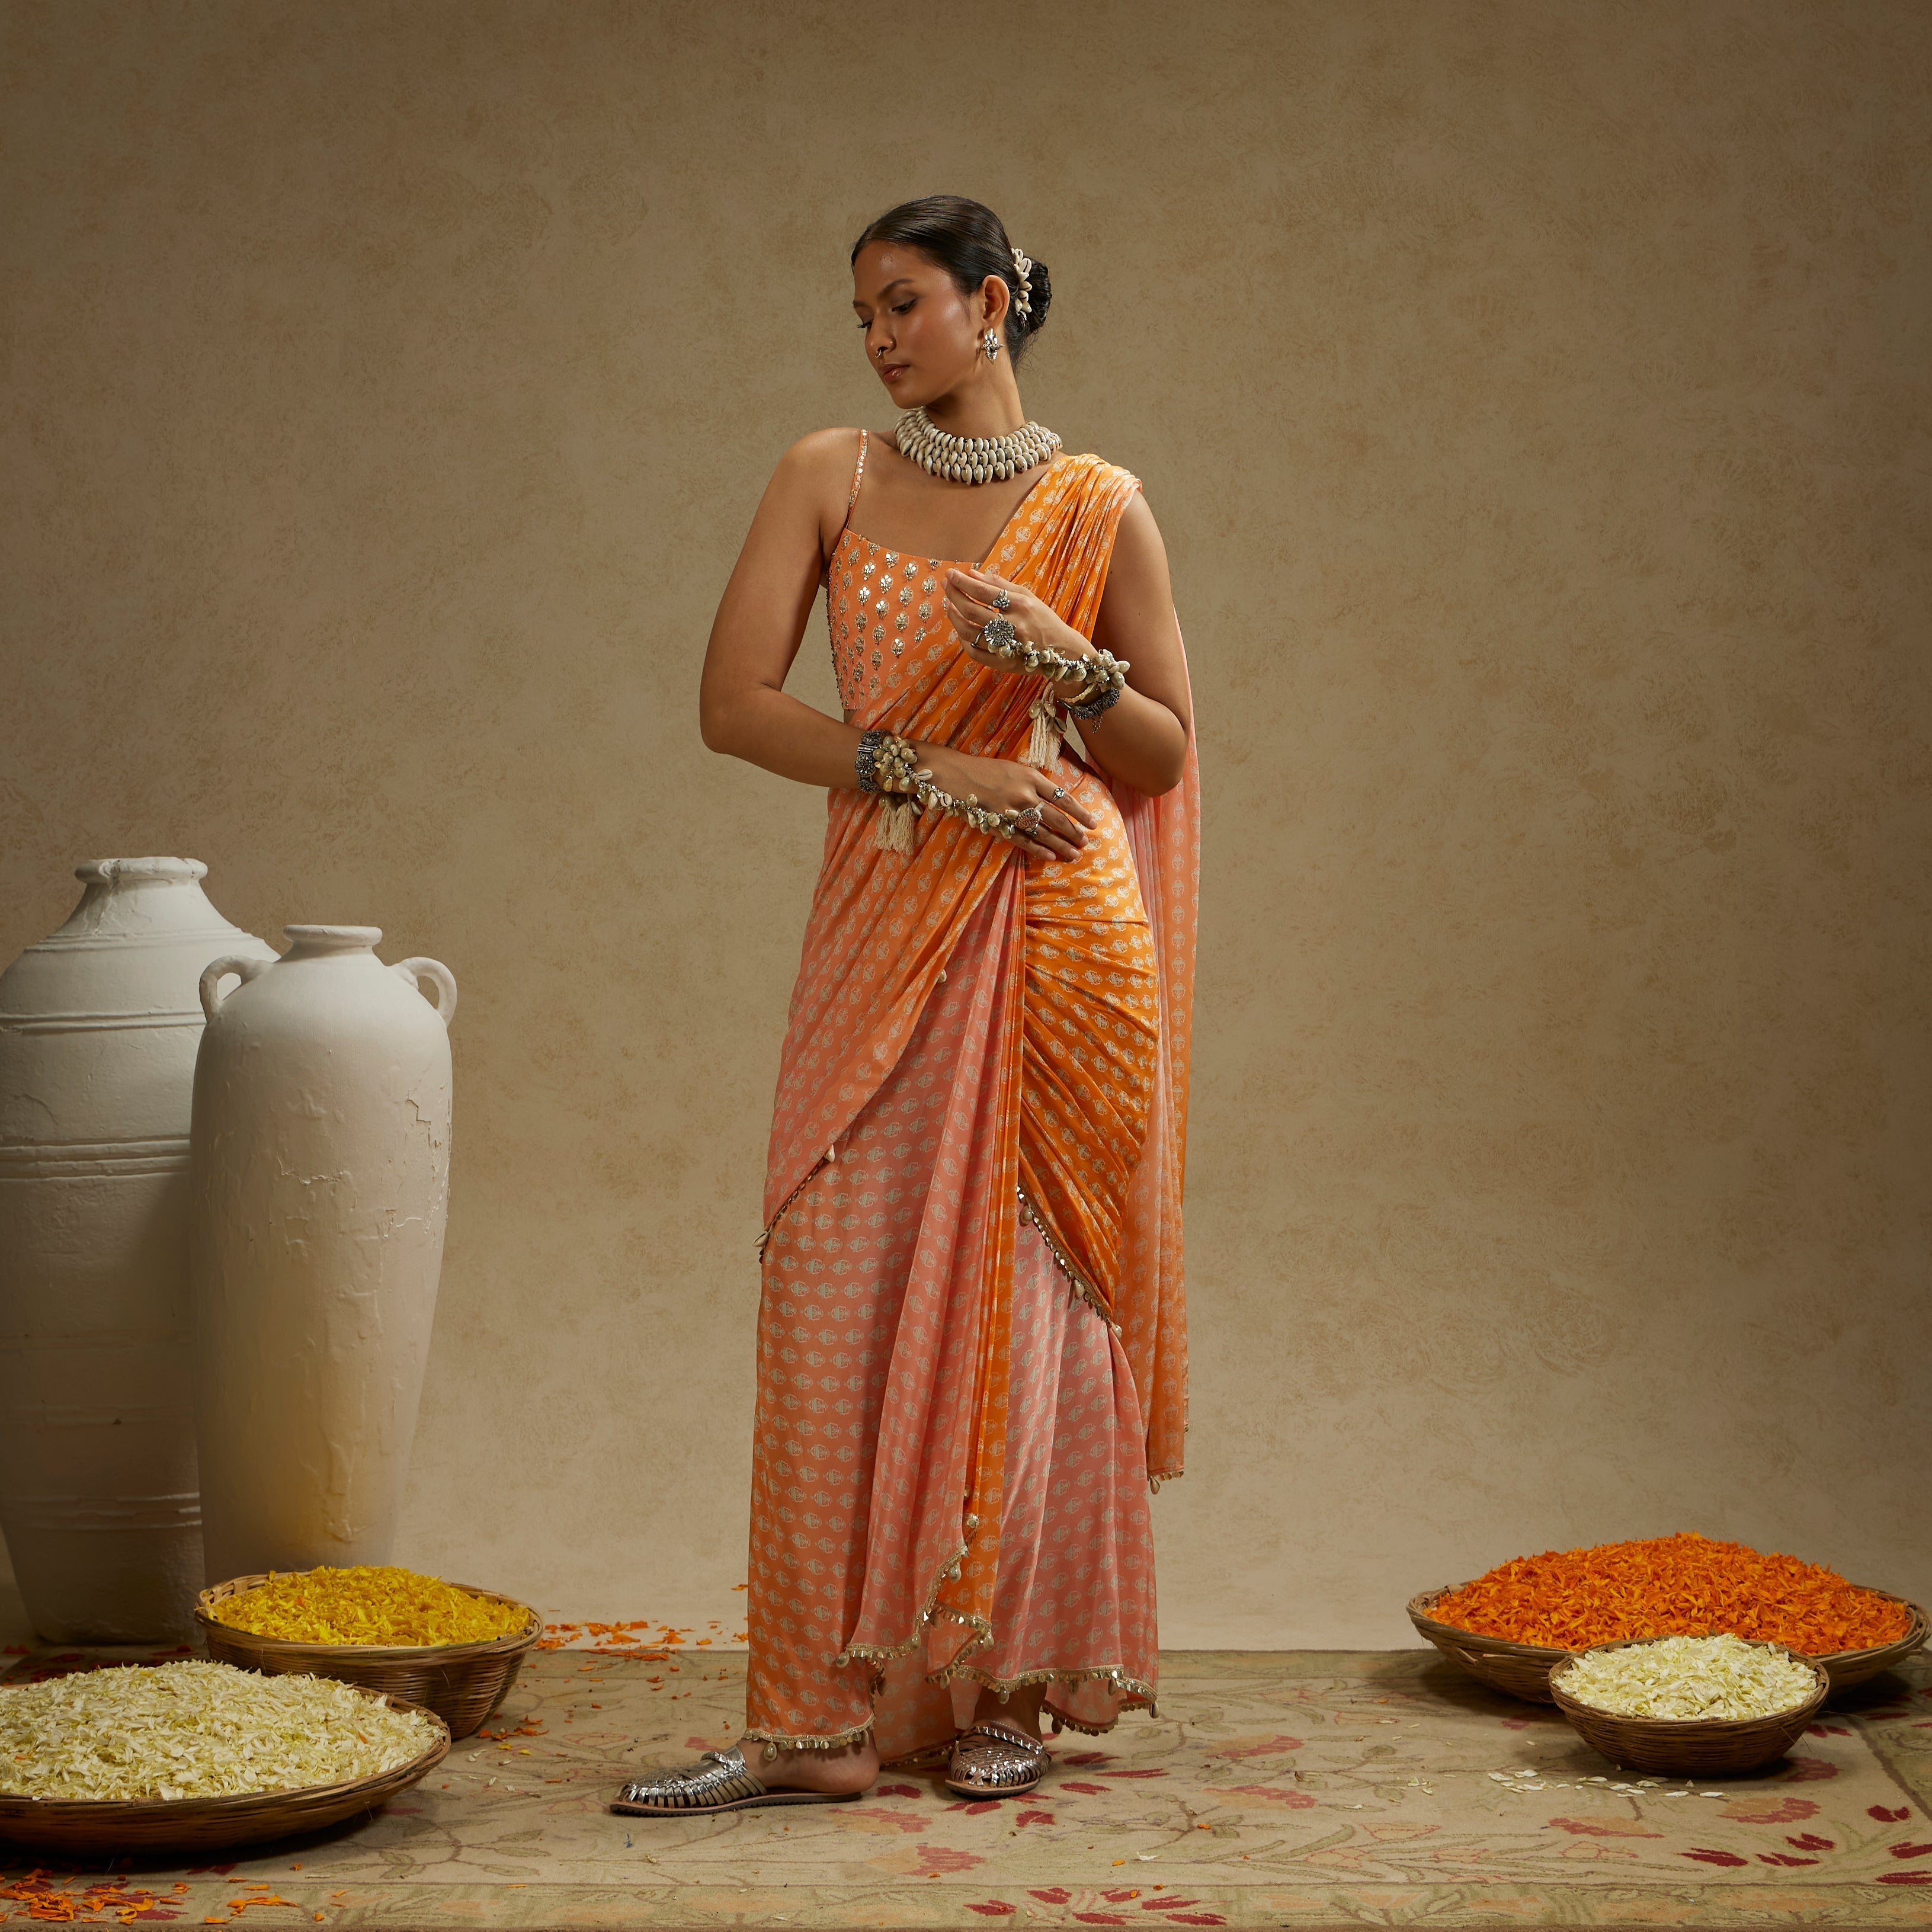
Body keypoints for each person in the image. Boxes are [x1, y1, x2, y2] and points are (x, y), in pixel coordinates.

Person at [613, 195, 1198, 1817]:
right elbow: (733, 705)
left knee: (1037, 1298)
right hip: (885, 908)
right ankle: (813, 1724)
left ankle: (1005, 1683)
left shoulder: (1100, 507)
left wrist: (1070, 668)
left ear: (990, 303)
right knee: (832, 1274)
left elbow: (1162, 751)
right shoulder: (828, 476)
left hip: (1061, 926)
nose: (876, 338)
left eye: (905, 305)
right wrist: (921, 767)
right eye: (863, 313)